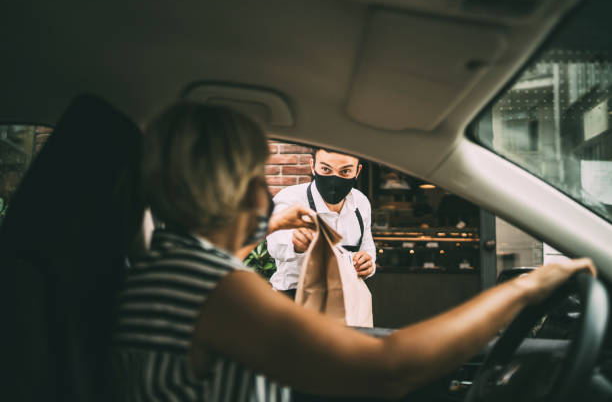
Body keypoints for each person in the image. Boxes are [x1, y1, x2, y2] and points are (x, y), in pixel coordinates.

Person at [110, 102, 596, 402]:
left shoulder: (169, 269)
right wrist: (527, 288)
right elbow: (390, 368)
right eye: (255, 175)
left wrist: (267, 224)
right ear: (238, 188)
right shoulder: (209, 288)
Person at [267, 148, 376, 298]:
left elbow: (367, 249)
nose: (334, 179)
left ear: (357, 171)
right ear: (313, 166)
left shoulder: (361, 202)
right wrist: (296, 244)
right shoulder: (291, 198)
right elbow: (275, 245)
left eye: (345, 171)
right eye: (325, 169)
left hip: (345, 300)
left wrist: (367, 264)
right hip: (294, 299)